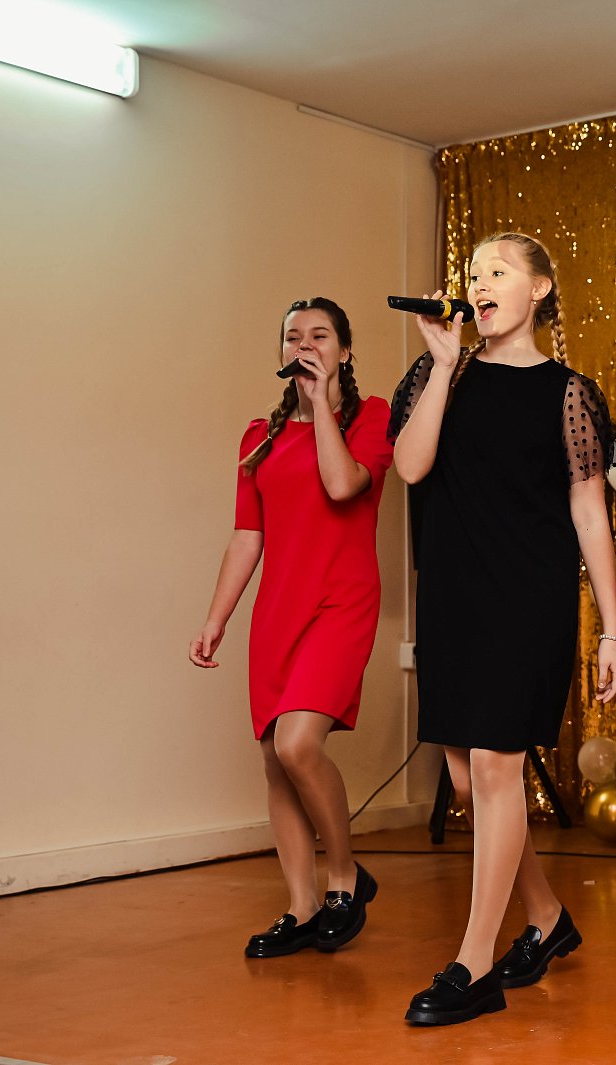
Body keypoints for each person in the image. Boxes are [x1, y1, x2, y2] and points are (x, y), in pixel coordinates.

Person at [389, 232, 616, 1026]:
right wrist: (442, 362)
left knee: (494, 766)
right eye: (474, 272)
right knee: (470, 782)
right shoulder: (439, 373)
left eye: (499, 270)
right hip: (454, 598)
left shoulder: (569, 393)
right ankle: (547, 916)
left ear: (540, 289)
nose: (480, 282)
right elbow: (410, 466)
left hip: (530, 598)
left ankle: (474, 963)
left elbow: (589, 513)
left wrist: (612, 630)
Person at [190, 297, 395, 958]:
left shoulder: (373, 416)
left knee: (298, 744)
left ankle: (346, 877)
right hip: (278, 610)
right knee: (275, 762)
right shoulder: (259, 437)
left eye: (320, 336)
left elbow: (342, 485)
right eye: (293, 337)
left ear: (344, 351)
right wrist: (216, 619)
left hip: (341, 603)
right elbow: (247, 536)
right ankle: (301, 905)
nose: (304, 345)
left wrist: (322, 405)